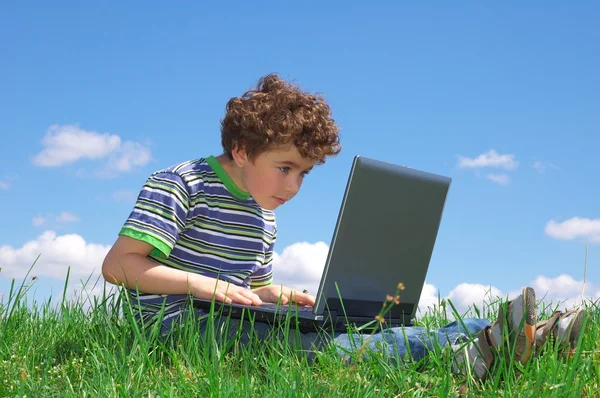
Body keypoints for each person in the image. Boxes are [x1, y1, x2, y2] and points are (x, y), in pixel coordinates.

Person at [101, 73, 588, 380]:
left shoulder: (262, 212)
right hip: (181, 325)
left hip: (233, 317)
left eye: (305, 174)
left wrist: (274, 296)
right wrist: (207, 286)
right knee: (323, 347)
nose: (293, 186)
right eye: (286, 167)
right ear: (243, 150)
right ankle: (480, 345)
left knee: (342, 326)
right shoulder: (180, 183)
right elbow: (120, 266)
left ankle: (501, 338)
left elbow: (251, 287)